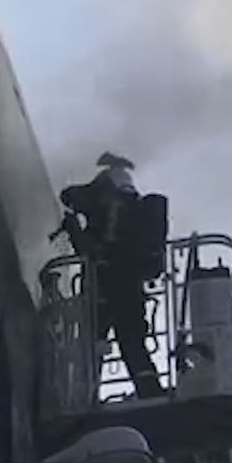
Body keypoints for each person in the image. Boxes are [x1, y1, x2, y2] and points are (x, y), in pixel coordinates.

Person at [58, 152, 167, 398]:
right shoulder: (133, 216)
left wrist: (74, 228)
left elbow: (89, 249)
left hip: (105, 288)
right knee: (132, 344)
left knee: (92, 345)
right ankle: (150, 391)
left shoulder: (111, 214)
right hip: (129, 290)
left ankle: (85, 396)